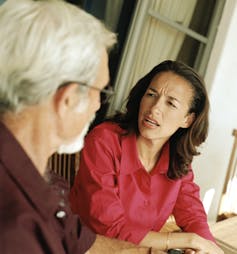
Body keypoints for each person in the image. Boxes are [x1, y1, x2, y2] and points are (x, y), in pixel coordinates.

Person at [0, 1, 166, 254]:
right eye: (100, 91)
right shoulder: (16, 231)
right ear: (67, 99)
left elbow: (81, 243)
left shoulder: (38, 178)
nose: (98, 105)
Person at [70, 60, 224, 254]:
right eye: (151, 94)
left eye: (171, 103)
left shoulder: (176, 157)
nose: (154, 108)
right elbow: (110, 227)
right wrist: (188, 240)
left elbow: (192, 215)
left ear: (187, 119)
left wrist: (207, 247)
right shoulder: (104, 140)